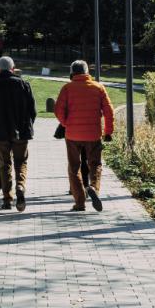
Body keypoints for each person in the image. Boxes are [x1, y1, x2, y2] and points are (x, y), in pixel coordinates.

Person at [54, 60, 114, 212]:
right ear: (88, 72)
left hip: (72, 135)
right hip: (93, 134)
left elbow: (58, 110)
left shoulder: (67, 88)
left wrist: (66, 123)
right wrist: (108, 132)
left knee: (74, 167)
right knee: (95, 164)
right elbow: (109, 111)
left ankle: (80, 202)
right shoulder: (98, 88)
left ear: (72, 73)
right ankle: (93, 187)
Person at [0, 56, 37, 211]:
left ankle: (7, 199)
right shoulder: (23, 85)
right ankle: (20, 186)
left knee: (4, 164)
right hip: (21, 132)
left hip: (0, 133)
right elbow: (32, 110)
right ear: (13, 69)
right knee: (21, 162)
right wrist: (28, 126)